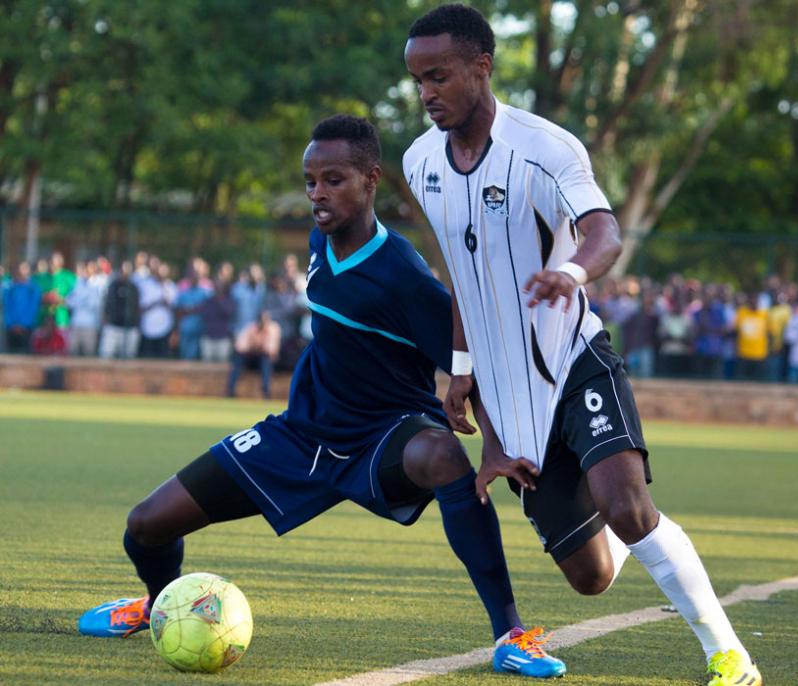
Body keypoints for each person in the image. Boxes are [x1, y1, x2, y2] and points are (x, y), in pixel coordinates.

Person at [77, 114, 559, 677]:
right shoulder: (318, 240)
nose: (318, 194)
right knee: (146, 524)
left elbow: (469, 352)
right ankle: (160, 607)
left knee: (444, 456)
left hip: (386, 434)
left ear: (371, 179)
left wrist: (495, 446)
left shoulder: (399, 273)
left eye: (334, 180)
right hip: (302, 433)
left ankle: (510, 633)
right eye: (310, 181)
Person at [402, 5, 760, 685]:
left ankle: (730, 657)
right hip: (509, 401)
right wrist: (461, 372)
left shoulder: (547, 148)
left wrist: (569, 273)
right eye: (418, 80)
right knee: (591, 575)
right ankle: (645, 525)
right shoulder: (420, 162)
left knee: (625, 506)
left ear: (482, 67)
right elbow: (463, 271)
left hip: (574, 358)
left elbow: (605, 232)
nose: (426, 93)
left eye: (439, 76)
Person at [226, 310, 281, 398]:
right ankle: (230, 390)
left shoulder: (273, 328)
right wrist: (253, 347)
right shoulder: (250, 327)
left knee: (266, 361)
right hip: (250, 357)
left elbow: (270, 351)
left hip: (264, 359)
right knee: (238, 360)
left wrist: (256, 347)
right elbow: (240, 347)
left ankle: (266, 392)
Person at [3, 261, 41, 353]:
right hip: (11, 328)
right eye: (20, 269)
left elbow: (33, 309)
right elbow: (7, 307)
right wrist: (12, 324)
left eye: (25, 269)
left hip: (27, 328)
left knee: (25, 356)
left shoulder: (33, 289)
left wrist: (23, 325)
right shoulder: (9, 288)